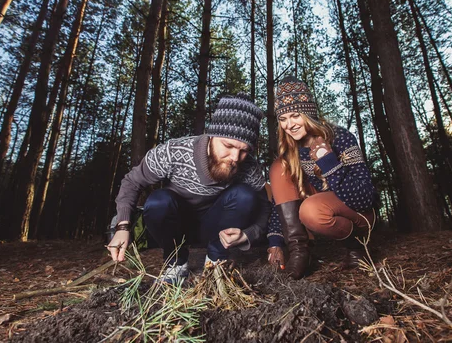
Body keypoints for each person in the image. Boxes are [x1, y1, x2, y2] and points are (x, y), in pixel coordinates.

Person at [107, 93, 271, 284]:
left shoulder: (248, 166)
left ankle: (215, 263)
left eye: (244, 150)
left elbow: (264, 206)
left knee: (245, 196)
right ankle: (176, 264)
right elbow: (132, 182)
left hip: (214, 228)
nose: (235, 157)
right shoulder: (173, 151)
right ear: (212, 135)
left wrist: (248, 234)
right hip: (175, 227)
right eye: (228, 145)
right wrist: (123, 225)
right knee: (158, 201)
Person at [266, 77, 376, 279]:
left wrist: (328, 163)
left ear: (308, 113)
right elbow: (279, 203)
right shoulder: (294, 150)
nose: (289, 125)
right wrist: (275, 242)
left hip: (358, 213)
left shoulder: (340, 138)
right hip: (323, 205)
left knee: (311, 211)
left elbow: (365, 198)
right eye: (283, 119)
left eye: (295, 116)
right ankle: (300, 252)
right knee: (278, 167)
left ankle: (356, 246)